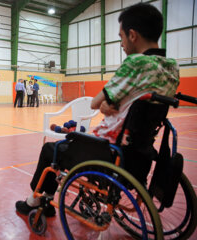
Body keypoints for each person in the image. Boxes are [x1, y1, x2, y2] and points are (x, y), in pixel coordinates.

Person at [15, 2, 180, 217]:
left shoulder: (136, 63)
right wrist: (114, 104)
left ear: (132, 35)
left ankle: (37, 201)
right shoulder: (172, 67)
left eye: (121, 37)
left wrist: (106, 104)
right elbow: (140, 101)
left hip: (108, 153)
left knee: (51, 150)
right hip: (140, 154)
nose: (121, 43)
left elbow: (95, 103)